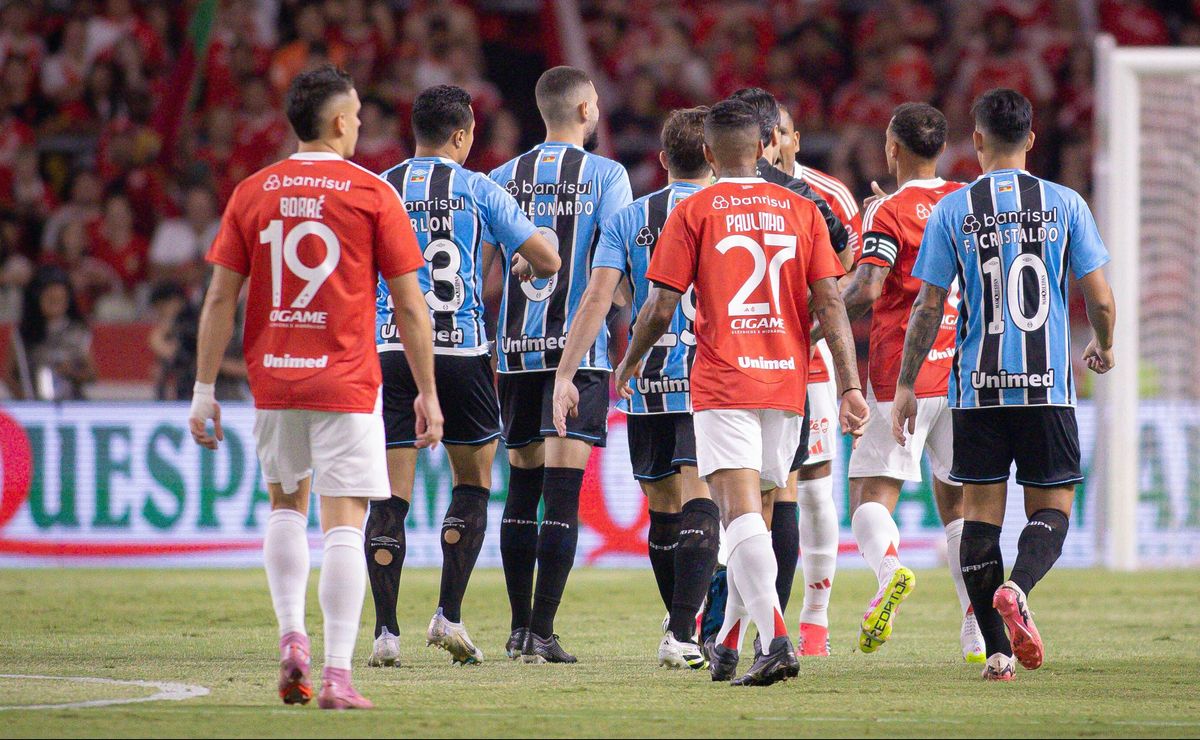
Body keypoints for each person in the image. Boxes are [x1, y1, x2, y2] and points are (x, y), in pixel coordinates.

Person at [188, 65, 443, 710]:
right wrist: (426, 389)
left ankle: (290, 635)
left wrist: (202, 387)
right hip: (346, 382)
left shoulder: (253, 190)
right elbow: (412, 307)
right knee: (344, 528)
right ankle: (336, 673)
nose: (359, 127)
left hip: (274, 380)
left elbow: (221, 296)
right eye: (356, 117)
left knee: (284, 506)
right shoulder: (371, 193)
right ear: (336, 122)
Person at [614, 99, 868, 686]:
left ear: (706, 153)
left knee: (738, 513)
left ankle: (776, 638)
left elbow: (659, 306)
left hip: (725, 378)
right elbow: (831, 301)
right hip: (789, 381)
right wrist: (851, 385)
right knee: (760, 510)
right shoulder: (802, 208)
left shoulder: (695, 210)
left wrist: (629, 363)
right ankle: (729, 638)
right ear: (763, 148)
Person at [894, 88, 1115, 681]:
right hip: (1046, 387)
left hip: (978, 390)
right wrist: (1104, 344)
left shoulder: (955, 209)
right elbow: (1100, 298)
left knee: (980, 519)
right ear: (1032, 140)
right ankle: (1018, 588)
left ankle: (996, 654)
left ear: (978, 140)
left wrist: (908, 383)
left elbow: (928, 306)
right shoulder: (1066, 203)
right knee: (1054, 509)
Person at [365, 84, 559, 668]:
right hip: (463, 350)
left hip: (391, 346)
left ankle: (385, 633)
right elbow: (546, 259)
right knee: (471, 483)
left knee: (390, 494)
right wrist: (520, 257)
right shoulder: (479, 187)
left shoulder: (383, 188)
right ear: (460, 135)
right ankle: (447, 615)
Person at [813, 102, 983, 662]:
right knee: (956, 503)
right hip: (964, 372)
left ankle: (889, 572)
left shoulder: (889, 211)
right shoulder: (967, 201)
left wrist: (811, 325)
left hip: (901, 375)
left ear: (892, 149)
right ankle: (976, 629)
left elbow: (865, 288)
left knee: (868, 494)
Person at [551, 107, 719, 671]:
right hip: (712, 379)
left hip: (647, 378)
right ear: (715, 157)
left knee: (664, 508)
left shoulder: (630, 218)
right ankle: (684, 630)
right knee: (701, 500)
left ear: (664, 160)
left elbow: (601, 297)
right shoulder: (729, 212)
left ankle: (681, 624)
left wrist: (567, 372)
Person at [487, 66, 632, 664]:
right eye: (595, 101)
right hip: (582, 354)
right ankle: (542, 631)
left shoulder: (501, 177)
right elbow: (613, 273)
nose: (598, 109)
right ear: (581, 110)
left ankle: (519, 630)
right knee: (562, 495)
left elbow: (493, 268)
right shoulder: (608, 176)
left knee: (520, 492)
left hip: (516, 352)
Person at [772, 104, 865, 656]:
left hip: (809, 358)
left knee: (813, 481)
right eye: (766, 134)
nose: (773, 143)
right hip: (748, 357)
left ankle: (815, 618)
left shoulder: (828, 195)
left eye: (780, 133)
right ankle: (748, 612)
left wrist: (812, 319)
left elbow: (850, 270)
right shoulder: (733, 190)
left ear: (796, 140)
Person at [3, 266, 95, 400]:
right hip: (35, 406)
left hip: (71, 406)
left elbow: (92, 375)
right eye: (50, 300)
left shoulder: (78, 332)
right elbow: (9, 376)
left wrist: (71, 372)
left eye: (60, 300)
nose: (56, 304)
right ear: (37, 298)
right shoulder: (22, 335)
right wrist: (26, 401)